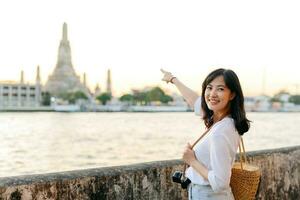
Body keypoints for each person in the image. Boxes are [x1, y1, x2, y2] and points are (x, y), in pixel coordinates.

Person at [161, 68, 250, 200]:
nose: (212, 94)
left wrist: (192, 160)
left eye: (220, 89)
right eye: (209, 88)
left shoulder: (220, 131)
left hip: (210, 195)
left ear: (232, 95)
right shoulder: (224, 120)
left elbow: (220, 183)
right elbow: (195, 101)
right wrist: (173, 80)